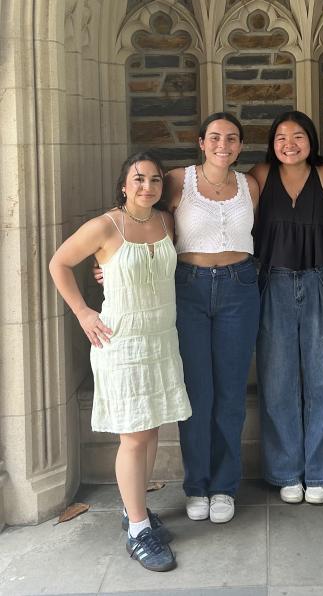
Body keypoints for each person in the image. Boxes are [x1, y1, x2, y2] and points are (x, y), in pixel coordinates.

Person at [49, 153, 191, 572]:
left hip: (161, 336)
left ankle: (138, 511)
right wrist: (83, 312)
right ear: (124, 186)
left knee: (149, 431)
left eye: (155, 180)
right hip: (122, 339)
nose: (147, 186)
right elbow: (59, 262)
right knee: (133, 436)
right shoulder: (104, 226)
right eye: (139, 180)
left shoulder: (166, 222)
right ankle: (136, 530)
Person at [165, 111, 260, 524]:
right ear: (201, 142)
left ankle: (224, 486)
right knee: (196, 393)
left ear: (240, 145)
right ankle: (196, 484)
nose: (225, 145)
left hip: (240, 286)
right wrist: (110, 261)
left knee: (231, 393)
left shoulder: (249, 185)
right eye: (216, 137)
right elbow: (140, 216)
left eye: (233, 138)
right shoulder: (177, 180)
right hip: (189, 287)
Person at [250, 110, 323, 505]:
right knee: (277, 380)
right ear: (272, 143)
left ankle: (321, 471)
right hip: (271, 281)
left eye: (298, 136)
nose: (289, 144)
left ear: (312, 140)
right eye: (281, 137)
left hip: (319, 280)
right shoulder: (258, 175)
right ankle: (286, 471)